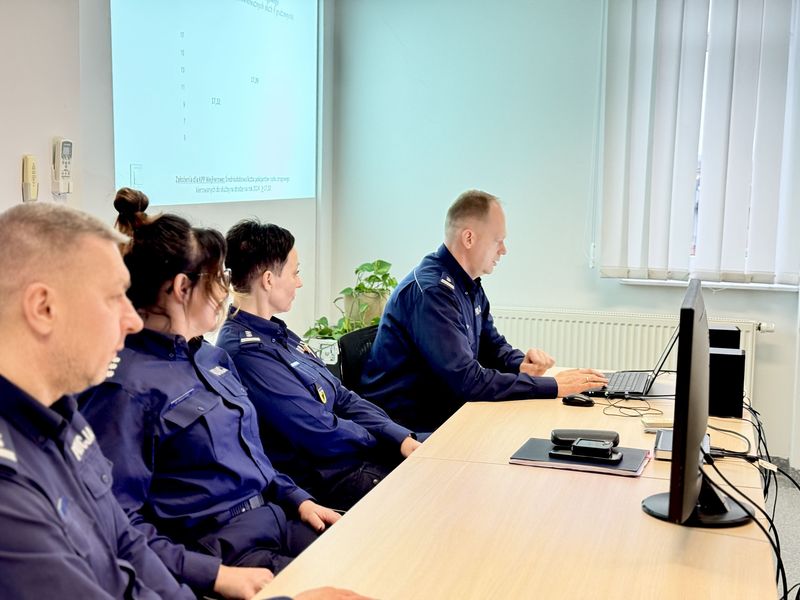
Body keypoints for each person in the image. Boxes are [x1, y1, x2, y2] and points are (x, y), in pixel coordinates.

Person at [78, 189, 341, 598]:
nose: (225, 291)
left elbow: (252, 457)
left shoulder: (211, 356)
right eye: (217, 278)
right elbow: (120, 525)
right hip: (225, 553)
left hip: (278, 518)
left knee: (374, 559)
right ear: (182, 287)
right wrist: (213, 574)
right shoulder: (125, 389)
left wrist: (299, 500)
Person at [0, 202, 195, 598]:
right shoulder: (7, 491)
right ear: (44, 308)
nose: (134, 320)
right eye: (113, 296)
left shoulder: (62, 413)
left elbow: (126, 546)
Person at [360, 190, 608, 432]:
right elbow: (467, 381)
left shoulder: (468, 285)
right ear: (469, 239)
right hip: (409, 428)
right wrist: (552, 386)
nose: (504, 250)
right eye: (498, 240)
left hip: (446, 414)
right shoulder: (433, 293)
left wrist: (521, 364)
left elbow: (492, 346)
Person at [217, 220, 421, 511]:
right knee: (433, 490)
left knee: (443, 454)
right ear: (268, 280)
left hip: (355, 456)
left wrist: (396, 436)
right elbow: (318, 431)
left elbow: (341, 395)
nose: (299, 282)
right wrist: (382, 439)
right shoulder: (245, 353)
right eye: (295, 273)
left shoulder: (278, 333)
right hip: (331, 478)